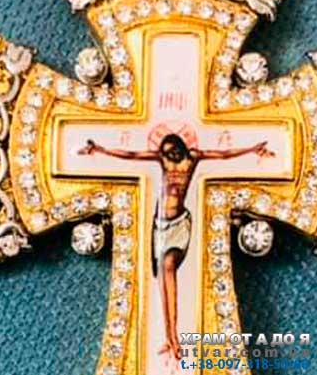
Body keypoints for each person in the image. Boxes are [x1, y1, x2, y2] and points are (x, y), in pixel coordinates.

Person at [79, 133, 272, 361]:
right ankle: (170, 334)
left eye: (173, 150)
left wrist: (251, 149)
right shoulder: (163, 160)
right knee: (164, 275)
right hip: (161, 226)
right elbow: (131, 155)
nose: (170, 155)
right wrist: (100, 149)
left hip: (180, 223)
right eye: (166, 152)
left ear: (181, 147)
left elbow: (223, 155)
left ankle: (174, 335)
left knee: (169, 266)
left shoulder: (193, 158)